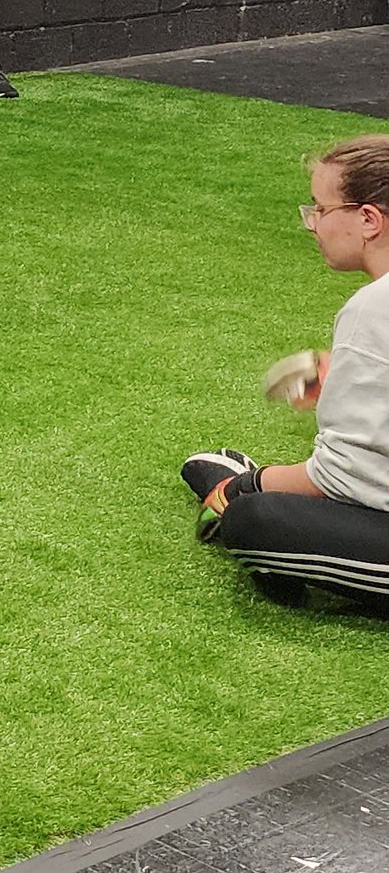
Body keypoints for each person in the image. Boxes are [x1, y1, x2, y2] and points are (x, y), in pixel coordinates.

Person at [183, 137, 389, 601]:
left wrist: (245, 486)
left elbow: (345, 478)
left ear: (368, 219)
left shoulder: (374, 308)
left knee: (254, 521)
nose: (313, 223)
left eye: (321, 209)